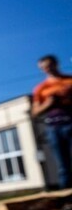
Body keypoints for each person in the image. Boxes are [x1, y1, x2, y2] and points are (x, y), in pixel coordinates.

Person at [31, 54, 72, 189]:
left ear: (56, 64)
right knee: (63, 165)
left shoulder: (69, 81)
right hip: (54, 127)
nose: (48, 69)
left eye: (50, 66)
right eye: (44, 68)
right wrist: (48, 104)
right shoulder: (41, 88)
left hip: (70, 121)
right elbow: (35, 112)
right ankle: (68, 200)